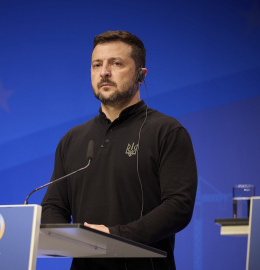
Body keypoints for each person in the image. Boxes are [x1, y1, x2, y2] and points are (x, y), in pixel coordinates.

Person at [40, 30, 198, 270]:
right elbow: (53, 207)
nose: (104, 72)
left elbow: (179, 207)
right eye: (97, 64)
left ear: (140, 75)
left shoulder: (166, 132)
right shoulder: (72, 139)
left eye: (116, 63)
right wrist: (67, 239)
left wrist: (113, 236)